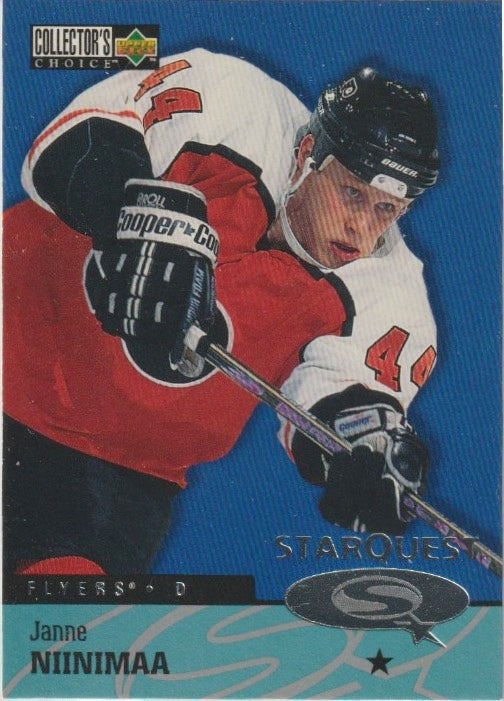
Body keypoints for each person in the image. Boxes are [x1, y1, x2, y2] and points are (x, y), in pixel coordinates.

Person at [3, 48, 439, 575]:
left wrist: (363, 455)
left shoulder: (387, 290)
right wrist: (130, 223)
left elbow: (340, 404)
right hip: (12, 358)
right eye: (351, 193)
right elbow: (74, 139)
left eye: (386, 209)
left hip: (114, 484)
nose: (361, 228)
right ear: (308, 153)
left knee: (58, 617)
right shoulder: (235, 102)